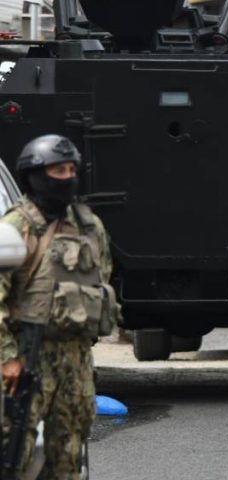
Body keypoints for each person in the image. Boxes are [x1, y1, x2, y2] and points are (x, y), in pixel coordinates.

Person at [0, 134, 119, 478]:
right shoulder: (17, 226)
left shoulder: (89, 226)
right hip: (26, 360)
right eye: (57, 171)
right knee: (14, 456)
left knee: (68, 459)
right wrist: (8, 358)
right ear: (35, 176)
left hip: (76, 360)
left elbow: (101, 277)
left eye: (71, 170)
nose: (66, 178)